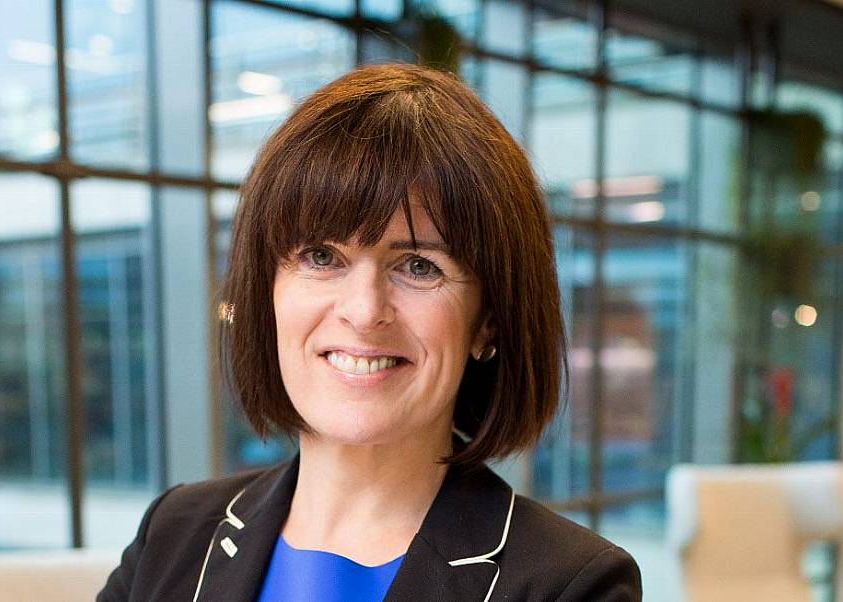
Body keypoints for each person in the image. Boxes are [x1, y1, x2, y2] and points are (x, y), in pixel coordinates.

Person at [98, 63, 641, 601]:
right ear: (268, 293)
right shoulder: (174, 534)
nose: (363, 311)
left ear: (488, 321)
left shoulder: (571, 585)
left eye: (419, 266)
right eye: (321, 255)